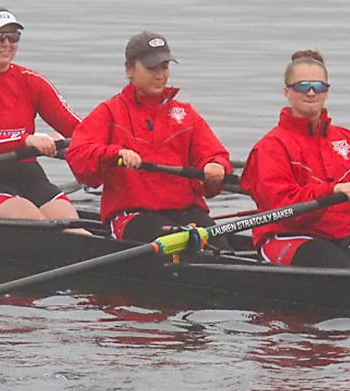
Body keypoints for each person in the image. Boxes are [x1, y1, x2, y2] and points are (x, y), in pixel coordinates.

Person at [240, 48, 350, 268]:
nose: (311, 93)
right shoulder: (271, 146)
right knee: (340, 270)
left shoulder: (349, 141)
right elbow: (284, 209)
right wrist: (331, 191)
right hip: (287, 235)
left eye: (319, 87)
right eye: (303, 86)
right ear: (287, 92)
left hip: (345, 235)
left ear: (327, 92)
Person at [65, 31, 234, 240]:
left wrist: (216, 166)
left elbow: (215, 154)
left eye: (164, 66)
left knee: (219, 246)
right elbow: (78, 154)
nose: (160, 75)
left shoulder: (186, 114)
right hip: (133, 215)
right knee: (173, 241)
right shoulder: (110, 112)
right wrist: (115, 154)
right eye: (152, 67)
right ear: (129, 69)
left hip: (185, 212)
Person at [0, 7, 81, 221]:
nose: (6, 43)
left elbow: (79, 129)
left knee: (71, 225)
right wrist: (26, 140)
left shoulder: (32, 81)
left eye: (13, 36)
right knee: (38, 223)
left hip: (27, 175)